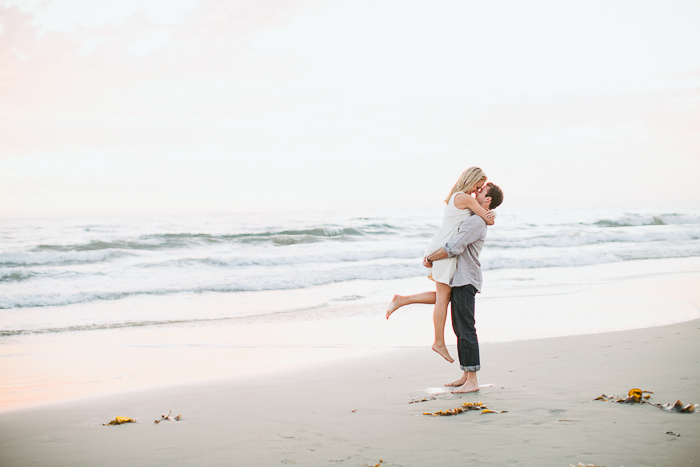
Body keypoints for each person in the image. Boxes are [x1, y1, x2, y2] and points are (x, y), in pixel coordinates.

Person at [386, 167, 495, 363]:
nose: (477, 191)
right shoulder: (465, 198)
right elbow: (487, 219)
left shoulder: (457, 195)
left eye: (480, 189)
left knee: (447, 295)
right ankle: (438, 342)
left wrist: (488, 212)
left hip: (442, 243)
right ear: (473, 180)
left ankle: (403, 300)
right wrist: (491, 213)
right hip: (444, 248)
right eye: (478, 186)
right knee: (444, 297)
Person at [424, 182, 503, 393]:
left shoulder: (476, 221)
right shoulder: (476, 217)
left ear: (487, 200)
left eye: (481, 192)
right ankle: (466, 374)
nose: (476, 193)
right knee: (460, 329)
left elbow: (453, 247)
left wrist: (430, 258)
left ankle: (473, 381)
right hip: (460, 278)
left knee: (466, 329)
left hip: (465, 279)